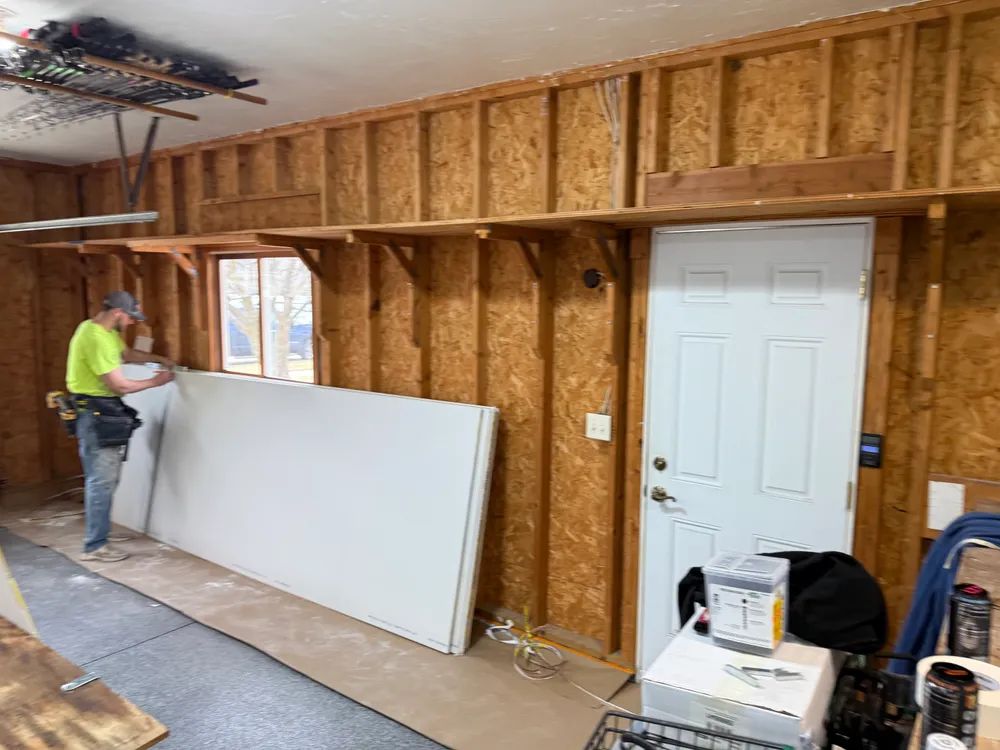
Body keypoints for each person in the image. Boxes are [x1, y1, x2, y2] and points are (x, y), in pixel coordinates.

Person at [66, 290, 175, 563]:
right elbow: (120, 385)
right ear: (118, 313)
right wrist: (156, 382)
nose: (130, 323)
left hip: (99, 412)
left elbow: (125, 354)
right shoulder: (95, 339)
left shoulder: (98, 331)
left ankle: (100, 532)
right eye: (129, 318)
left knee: (104, 479)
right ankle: (95, 546)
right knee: (101, 480)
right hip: (96, 413)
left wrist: (159, 358)